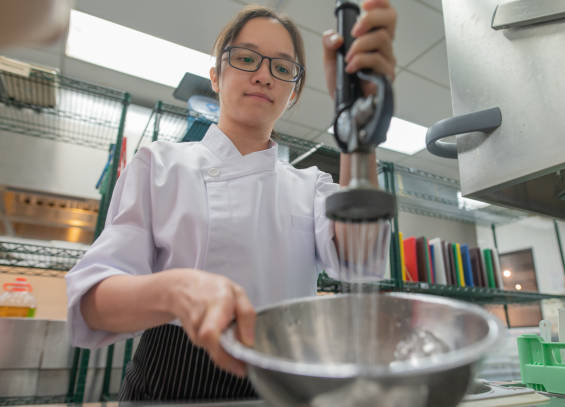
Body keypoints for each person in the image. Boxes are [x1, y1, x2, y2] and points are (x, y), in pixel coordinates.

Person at [66, 0, 397, 401]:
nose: (263, 75)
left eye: (282, 67)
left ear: (292, 93)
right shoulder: (160, 163)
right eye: (245, 58)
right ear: (216, 77)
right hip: (169, 385)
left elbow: (361, 260)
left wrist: (359, 129)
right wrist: (174, 291)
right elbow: (92, 306)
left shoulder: (310, 186)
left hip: (280, 383)